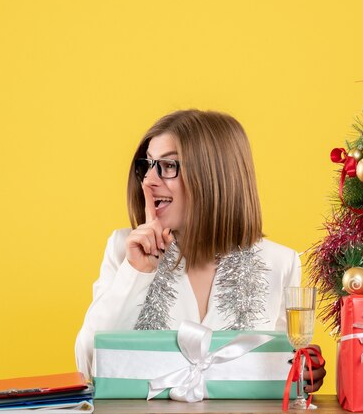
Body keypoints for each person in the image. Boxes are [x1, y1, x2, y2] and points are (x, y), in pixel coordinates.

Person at [75, 109, 326, 392]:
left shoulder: (279, 262)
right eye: (147, 165)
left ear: (214, 175)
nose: (148, 180)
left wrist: (302, 373)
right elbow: (87, 365)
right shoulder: (125, 250)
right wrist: (136, 272)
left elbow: (279, 376)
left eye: (168, 166)